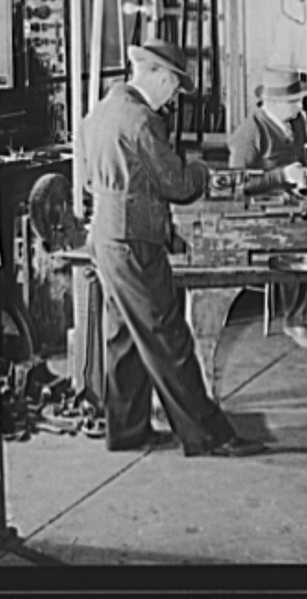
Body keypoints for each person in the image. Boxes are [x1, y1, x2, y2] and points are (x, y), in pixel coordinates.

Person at [77, 38, 266, 458]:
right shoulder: (143, 120)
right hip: (135, 241)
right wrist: (200, 169)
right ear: (160, 76)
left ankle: (128, 431)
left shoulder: (99, 114)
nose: (173, 98)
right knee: (169, 337)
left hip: (106, 237)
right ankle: (208, 436)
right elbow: (177, 185)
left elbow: (92, 180)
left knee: (124, 336)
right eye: (174, 88)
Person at [228, 67, 307, 350]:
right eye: (294, 102)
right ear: (272, 102)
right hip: (263, 213)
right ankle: (296, 320)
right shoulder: (250, 133)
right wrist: (281, 176)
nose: (300, 107)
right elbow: (238, 184)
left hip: (293, 203)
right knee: (299, 243)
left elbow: (302, 158)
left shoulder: (295, 122)